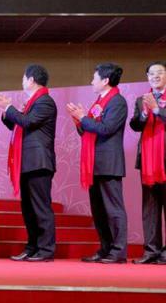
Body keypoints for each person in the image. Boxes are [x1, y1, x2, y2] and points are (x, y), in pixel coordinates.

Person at [0, 64, 57, 262]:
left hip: (39, 162)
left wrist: (8, 107)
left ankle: (45, 249)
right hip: (27, 161)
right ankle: (32, 247)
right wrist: (6, 111)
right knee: (28, 209)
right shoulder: (32, 102)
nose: (22, 81)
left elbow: (28, 122)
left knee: (41, 207)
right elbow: (17, 123)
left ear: (31, 80)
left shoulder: (45, 101)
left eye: (23, 78)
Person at [67, 63, 128, 264]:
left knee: (113, 209)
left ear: (105, 80)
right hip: (94, 162)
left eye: (94, 78)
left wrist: (83, 117)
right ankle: (105, 248)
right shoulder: (100, 101)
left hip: (109, 163)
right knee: (99, 210)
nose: (92, 81)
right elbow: (89, 130)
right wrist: (79, 120)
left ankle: (118, 251)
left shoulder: (117, 101)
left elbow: (106, 129)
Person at [128, 61, 166, 264]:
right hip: (148, 161)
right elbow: (135, 125)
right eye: (151, 73)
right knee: (150, 208)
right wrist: (144, 113)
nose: (155, 76)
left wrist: (157, 110)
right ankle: (151, 251)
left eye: (159, 72)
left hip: (164, 160)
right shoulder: (141, 99)